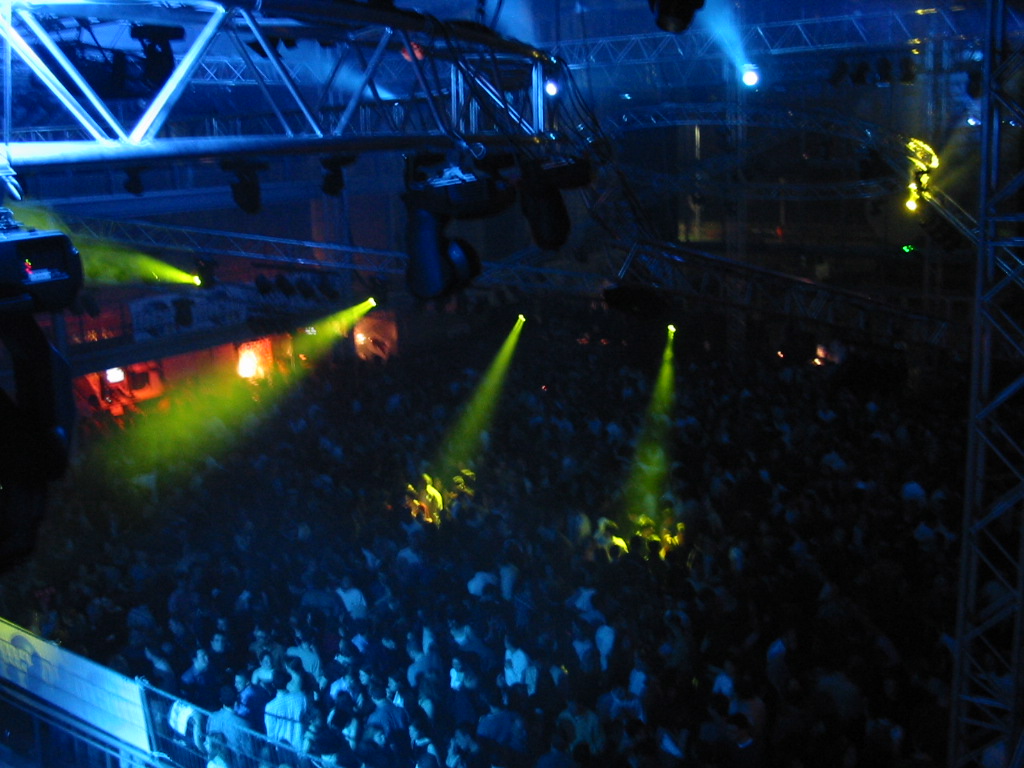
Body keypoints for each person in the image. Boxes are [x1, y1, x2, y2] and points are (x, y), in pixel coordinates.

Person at [264, 668, 308, 748]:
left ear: (273, 685)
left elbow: (271, 732)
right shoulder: (301, 698)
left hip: (282, 748)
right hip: (300, 744)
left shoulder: (270, 706)